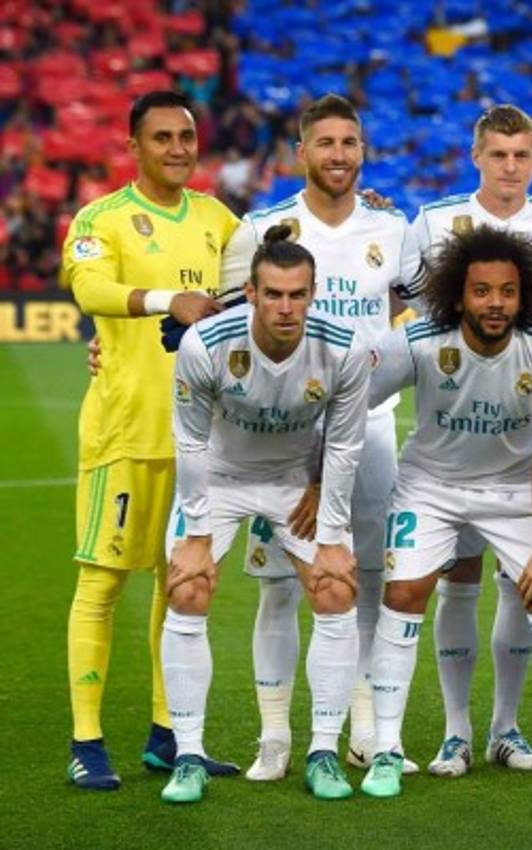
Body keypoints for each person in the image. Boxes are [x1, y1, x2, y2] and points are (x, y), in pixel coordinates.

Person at [218, 93, 419, 781]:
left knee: (360, 576)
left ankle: (361, 724)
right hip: (279, 438)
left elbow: (427, 309)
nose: (339, 156)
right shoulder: (265, 228)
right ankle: (274, 736)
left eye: (350, 144)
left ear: (364, 152)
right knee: (279, 587)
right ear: (300, 152)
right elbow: (222, 333)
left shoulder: (393, 230)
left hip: (369, 428)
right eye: (325, 144)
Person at [360, 226, 532, 799]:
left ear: (524, 294)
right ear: (459, 295)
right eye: (482, 291)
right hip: (431, 486)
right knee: (405, 593)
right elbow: (349, 398)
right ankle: (404, 745)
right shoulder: (418, 340)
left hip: (514, 486)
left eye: (507, 292)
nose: (495, 303)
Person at [60, 90, 238, 790]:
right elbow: (91, 289)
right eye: (161, 137)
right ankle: (86, 740)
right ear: (133, 147)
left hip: (200, 441)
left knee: (180, 586)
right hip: (126, 434)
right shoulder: (100, 218)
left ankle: (169, 735)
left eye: (186, 136)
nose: (176, 148)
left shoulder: (217, 218)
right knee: (101, 583)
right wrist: (169, 302)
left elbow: (276, 262)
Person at [160, 229, 369, 803]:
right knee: (188, 587)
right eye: (273, 294)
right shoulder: (205, 344)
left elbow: (346, 447)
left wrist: (329, 530)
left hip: (294, 479)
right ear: (250, 292)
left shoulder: (344, 348)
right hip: (220, 479)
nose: (285, 307)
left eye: (297, 295)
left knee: (335, 586)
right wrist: (198, 533)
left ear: (313, 294)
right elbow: (191, 444)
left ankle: (323, 750)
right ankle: (189, 756)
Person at [400, 105, 532, 777]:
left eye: (521, 155)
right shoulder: (436, 222)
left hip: (529, 434)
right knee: (457, 582)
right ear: (477, 157)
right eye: (497, 154)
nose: (509, 167)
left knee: (526, 583)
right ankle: (456, 731)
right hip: (451, 431)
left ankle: (507, 726)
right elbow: (400, 298)